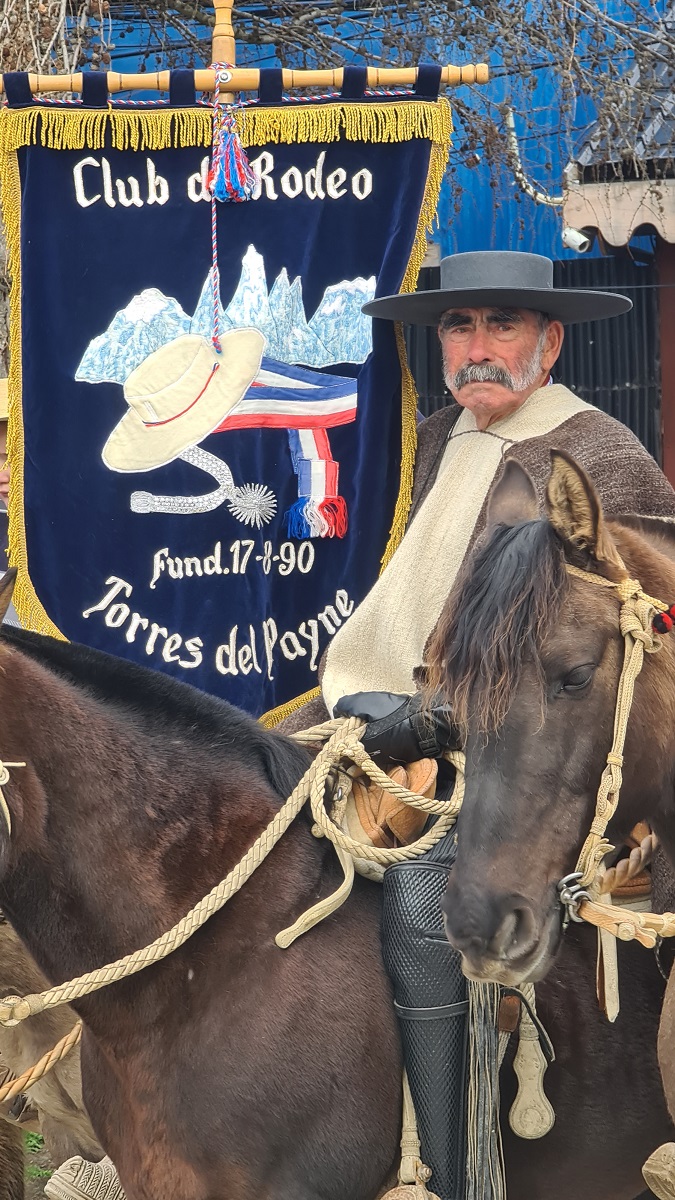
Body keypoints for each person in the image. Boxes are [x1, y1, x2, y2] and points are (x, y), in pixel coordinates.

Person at [47, 251, 675, 1200]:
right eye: (457, 330)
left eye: (500, 326)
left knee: (426, 905)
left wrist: (435, 725)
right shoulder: (439, 437)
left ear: (549, 341)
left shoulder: (598, 453)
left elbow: (624, 641)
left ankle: (448, 1170)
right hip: (371, 719)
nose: (476, 350)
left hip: (511, 753)